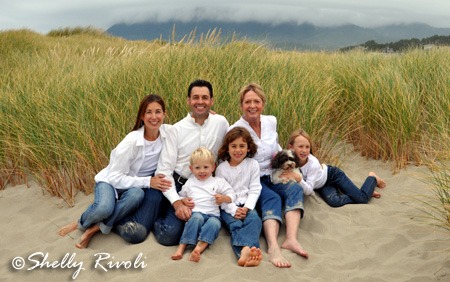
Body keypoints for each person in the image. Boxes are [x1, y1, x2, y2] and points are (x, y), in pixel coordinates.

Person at [58, 94, 171, 248]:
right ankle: (80, 223)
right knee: (104, 208)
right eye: (148, 112)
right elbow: (115, 177)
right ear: (142, 116)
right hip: (110, 182)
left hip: (132, 188)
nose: (154, 117)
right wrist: (148, 181)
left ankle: (96, 228)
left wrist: (208, 115)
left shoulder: (168, 133)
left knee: (137, 194)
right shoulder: (131, 142)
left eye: (158, 112)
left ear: (164, 114)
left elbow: (188, 125)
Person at [229, 83, 308, 268]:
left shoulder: (271, 121)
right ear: (241, 105)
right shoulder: (236, 129)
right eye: (247, 102)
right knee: (271, 197)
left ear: (263, 103)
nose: (252, 106)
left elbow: (277, 147)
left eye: (256, 101)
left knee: (295, 188)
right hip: (254, 179)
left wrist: (290, 168)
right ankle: (273, 247)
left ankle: (291, 239)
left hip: (275, 173)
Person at [153, 79, 229, 246]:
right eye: (195, 98)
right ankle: (158, 216)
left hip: (207, 187)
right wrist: (177, 202)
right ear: (188, 101)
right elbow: (164, 171)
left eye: (205, 98)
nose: (200, 102)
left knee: (206, 224)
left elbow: (230, 149)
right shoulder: (176, 130)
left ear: (212, 101)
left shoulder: (221, 123)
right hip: (182, 187)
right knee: (169, 236)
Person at [286, 129, 386, 207]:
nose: (304, 150)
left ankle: (372, 179)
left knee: (362, 199)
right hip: (322, 184)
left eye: (307, 147)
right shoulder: (287, 159)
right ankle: (366, 192)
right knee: (334, 202)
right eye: (300, 146)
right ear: (290, 147)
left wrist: (297, 178)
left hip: (333, 175)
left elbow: (308, 190)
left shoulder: (313, 164)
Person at [171, 147, 234, 262]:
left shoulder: (218, 182)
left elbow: (232, 195)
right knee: (196, 219)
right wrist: (184, 201)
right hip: (196, 212)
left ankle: (198, 249)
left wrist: (223, 198)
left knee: (214, 224)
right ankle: (181, 247)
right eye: (197, 168)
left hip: (213, 215)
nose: (202, 171)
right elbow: (181, 196)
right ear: (191, 169)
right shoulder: (190, 182)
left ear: (213, 167)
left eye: (206, 167)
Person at [215, 126, 263, 267]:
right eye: (233, 146)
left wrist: (247, 208)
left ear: (248, 148)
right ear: (227, 148)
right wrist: (233, 210)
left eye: (242, 146)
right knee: (235, 224)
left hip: (247, 204)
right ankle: (245, 251)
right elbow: (221, 196)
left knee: (255, 220)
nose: (238, 150)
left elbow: (255, 189)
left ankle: (245, 251)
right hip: (228, 207)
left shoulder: (253, 165)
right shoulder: (222, 169)